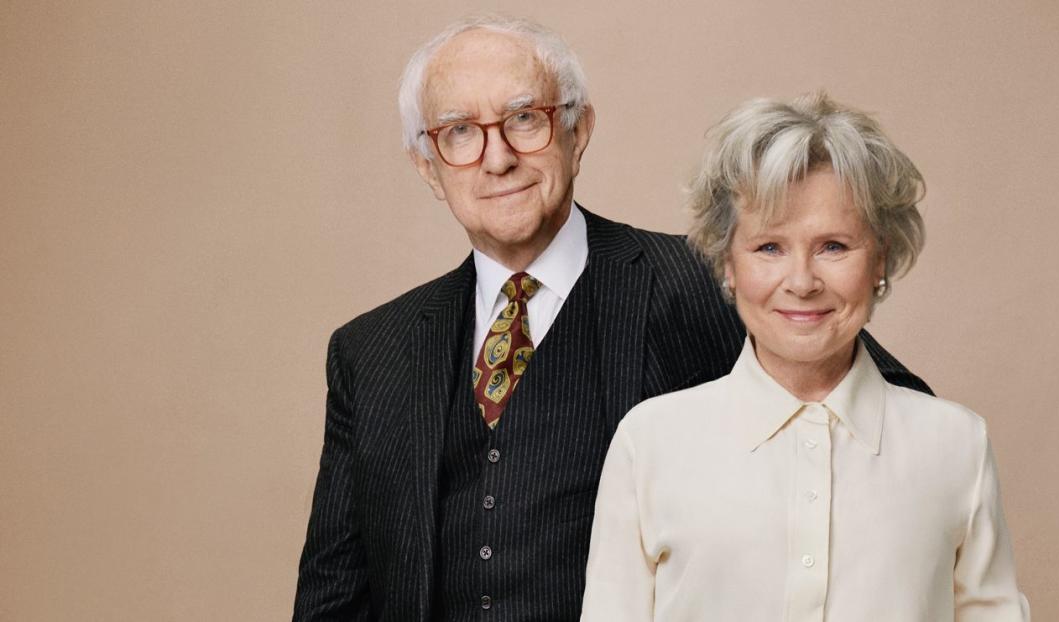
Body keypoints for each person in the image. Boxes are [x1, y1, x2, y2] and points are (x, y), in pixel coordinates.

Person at [293, 16, 930, 621]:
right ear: (428, 166)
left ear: (579, 130)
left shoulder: (700, 282)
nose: (497, 158)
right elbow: (332, 599)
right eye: (459, 131)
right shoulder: (371, 352)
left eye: (524, 119)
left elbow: (896, 420)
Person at [581, 92, 1029, 621]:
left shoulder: (957, 445)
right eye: (769, 247)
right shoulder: (649, 442)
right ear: (728, 264)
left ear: (880, 259)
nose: (801, 282)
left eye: (834, 246)